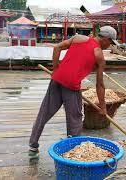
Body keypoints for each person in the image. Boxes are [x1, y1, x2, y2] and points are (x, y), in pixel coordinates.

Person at [28, 26, 118, 158]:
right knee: (75, 119)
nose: (109, 45)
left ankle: (32, 146)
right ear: (106, 38)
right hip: (71, 87)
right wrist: (103, 106)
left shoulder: (78, 38)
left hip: (56, 80)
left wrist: (56, 69)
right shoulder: (99, 55)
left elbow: (57, 47)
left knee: (44, 113)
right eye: (110, 42)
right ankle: (74, 151)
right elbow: (99, 84)